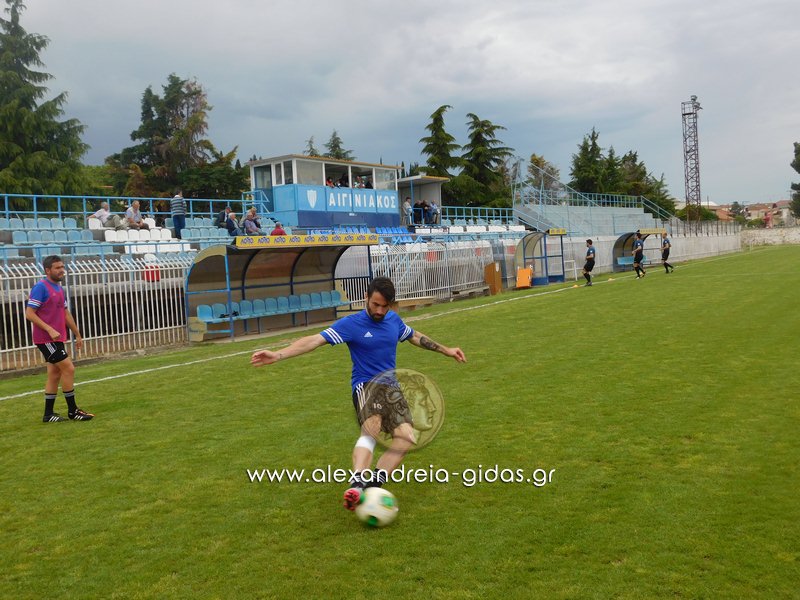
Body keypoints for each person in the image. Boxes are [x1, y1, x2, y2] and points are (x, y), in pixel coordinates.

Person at [250, 277, 466, 510]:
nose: (379, 311)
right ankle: (357, 483)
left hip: (391, 388)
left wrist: (446, 350)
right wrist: (278, 355)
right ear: (366, 297)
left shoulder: (393, 320)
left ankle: (371, 487)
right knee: (372, 427)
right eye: (375, 304)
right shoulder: (351, 324)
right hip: (366, 386)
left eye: (385, 306)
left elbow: (414, 336)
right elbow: (314, 340)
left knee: (406, 438)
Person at [24, 255, 94, 423]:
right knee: (69, 369)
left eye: (62, 267)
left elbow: (65, 313)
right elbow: (29, 313)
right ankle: (73, 411)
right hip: (46, 339)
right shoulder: (41, 287)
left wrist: (77, 334)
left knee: (54, 374)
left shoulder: (59, 288)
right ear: (48, 270)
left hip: (56, 339)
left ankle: (48, 414)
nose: (62, 270)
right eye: (57, 268)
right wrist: (49, 329)